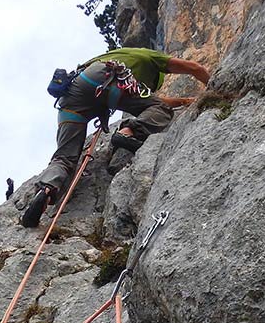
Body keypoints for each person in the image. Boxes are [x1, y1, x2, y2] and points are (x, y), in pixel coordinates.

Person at [21, 47, 211, 227]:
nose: (146, 89)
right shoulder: (151, 57)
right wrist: (216, 87)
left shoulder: (119, 54)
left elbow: (147, 99)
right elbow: (194, 68)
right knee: (161, 109)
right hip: (107, 78)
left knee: (64, 157)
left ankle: (46, 189)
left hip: (73, 94)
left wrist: (185, 101)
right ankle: (127, 132)